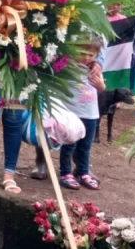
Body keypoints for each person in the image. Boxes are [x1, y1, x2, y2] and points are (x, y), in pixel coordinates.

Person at [59, 36, 106, 190]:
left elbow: (102, 88)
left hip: (91, 114)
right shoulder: (67, 66)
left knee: (85, 147)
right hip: (72, 114)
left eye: (91, 55)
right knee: (69, 145)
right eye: (82, 53)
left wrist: (100, 85)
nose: (86, 58)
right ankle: (65, 173)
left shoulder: (94, 69)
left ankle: (83, 172)